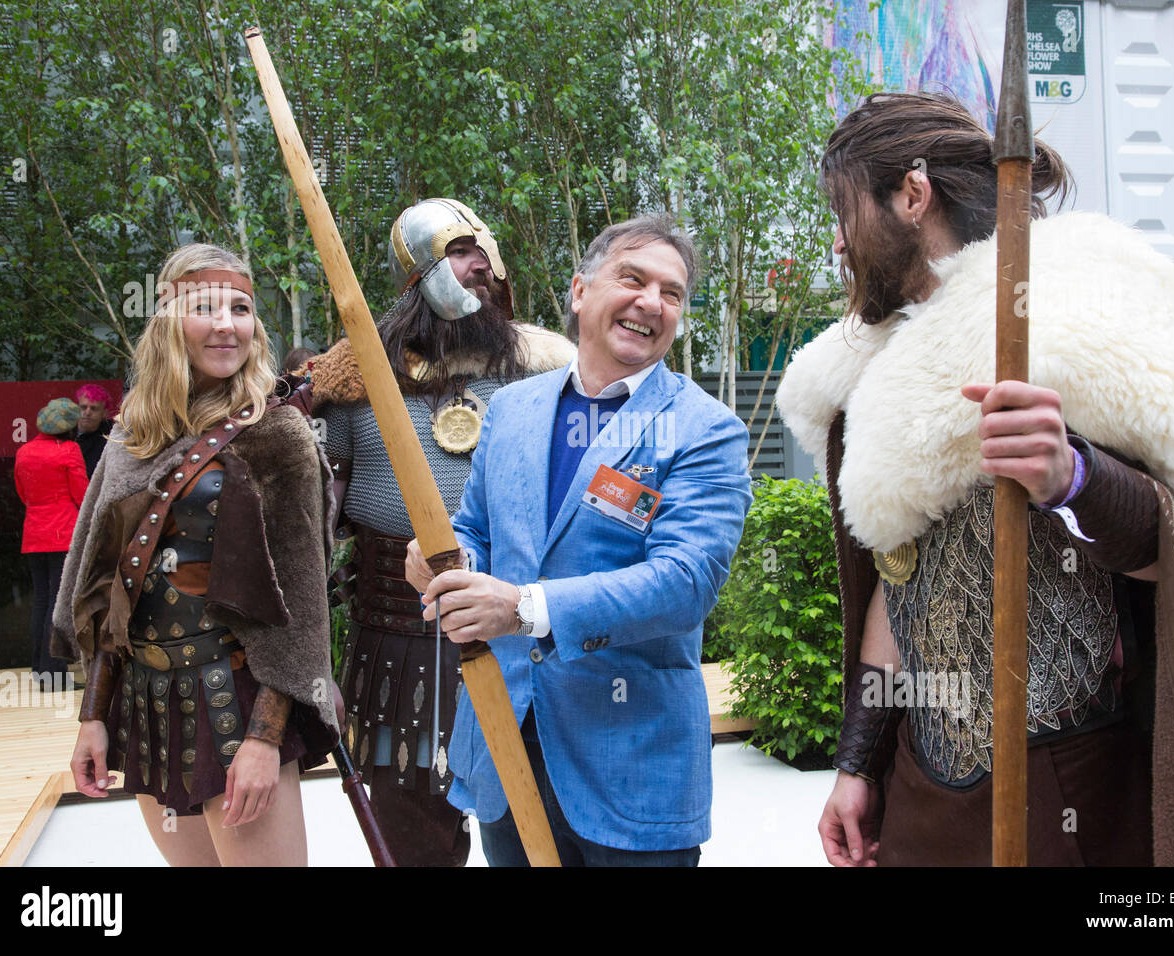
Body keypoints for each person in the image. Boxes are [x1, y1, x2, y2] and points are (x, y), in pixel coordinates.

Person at [776, 91, 1174, 867]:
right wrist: (857, 763)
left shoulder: (1081, 323)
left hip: (1072, 793)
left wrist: (1074, 476)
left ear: (911, 195)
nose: (839, 243)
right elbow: (896, 580)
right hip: (921, 798)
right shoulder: (873, 373)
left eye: (844, 212)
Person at [404, 214, 752, 866]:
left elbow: (685, 582)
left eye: (672, 293)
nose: (652, 302)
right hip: (505, 745)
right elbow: (478, 527)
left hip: (630, 764)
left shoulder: (705, 430)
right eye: (633, 278)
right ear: (580, 292)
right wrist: (447, 558)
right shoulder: (512, 409)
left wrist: (522, 608)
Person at [304, 198, 573, 866]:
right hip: (395, 642)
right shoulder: (356, 378)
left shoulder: (545, 369)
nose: (481, 264)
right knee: (413, 836)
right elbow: (308, 527)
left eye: (484, 249)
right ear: (418, 275)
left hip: (519, 626)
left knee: (537, 825)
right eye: (459, 252)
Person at [53, 243, 338, 866]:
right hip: (147, 705)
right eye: (204, 307)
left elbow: (301, 603)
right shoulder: (133, 434)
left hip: (234, 699)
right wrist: (92, 716)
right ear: (166, 322)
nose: (225, 324)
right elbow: (105, 590)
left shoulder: (276, 431)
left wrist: (264, 740)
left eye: (240, 308)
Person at [15, 398, 88, 688]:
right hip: (62, 533)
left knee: (41, 601)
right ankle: (54, 674)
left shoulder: (24, 451)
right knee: (59, 605)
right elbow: (82, 495)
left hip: (33, 534)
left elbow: (23, 493)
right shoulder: (69, 450)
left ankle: (40, 669)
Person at [75, 384, 115, 478]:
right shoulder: (63, 433)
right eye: (83, 407)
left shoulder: (112, 439)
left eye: (94, 408)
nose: (87, 412)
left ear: (105, 413)